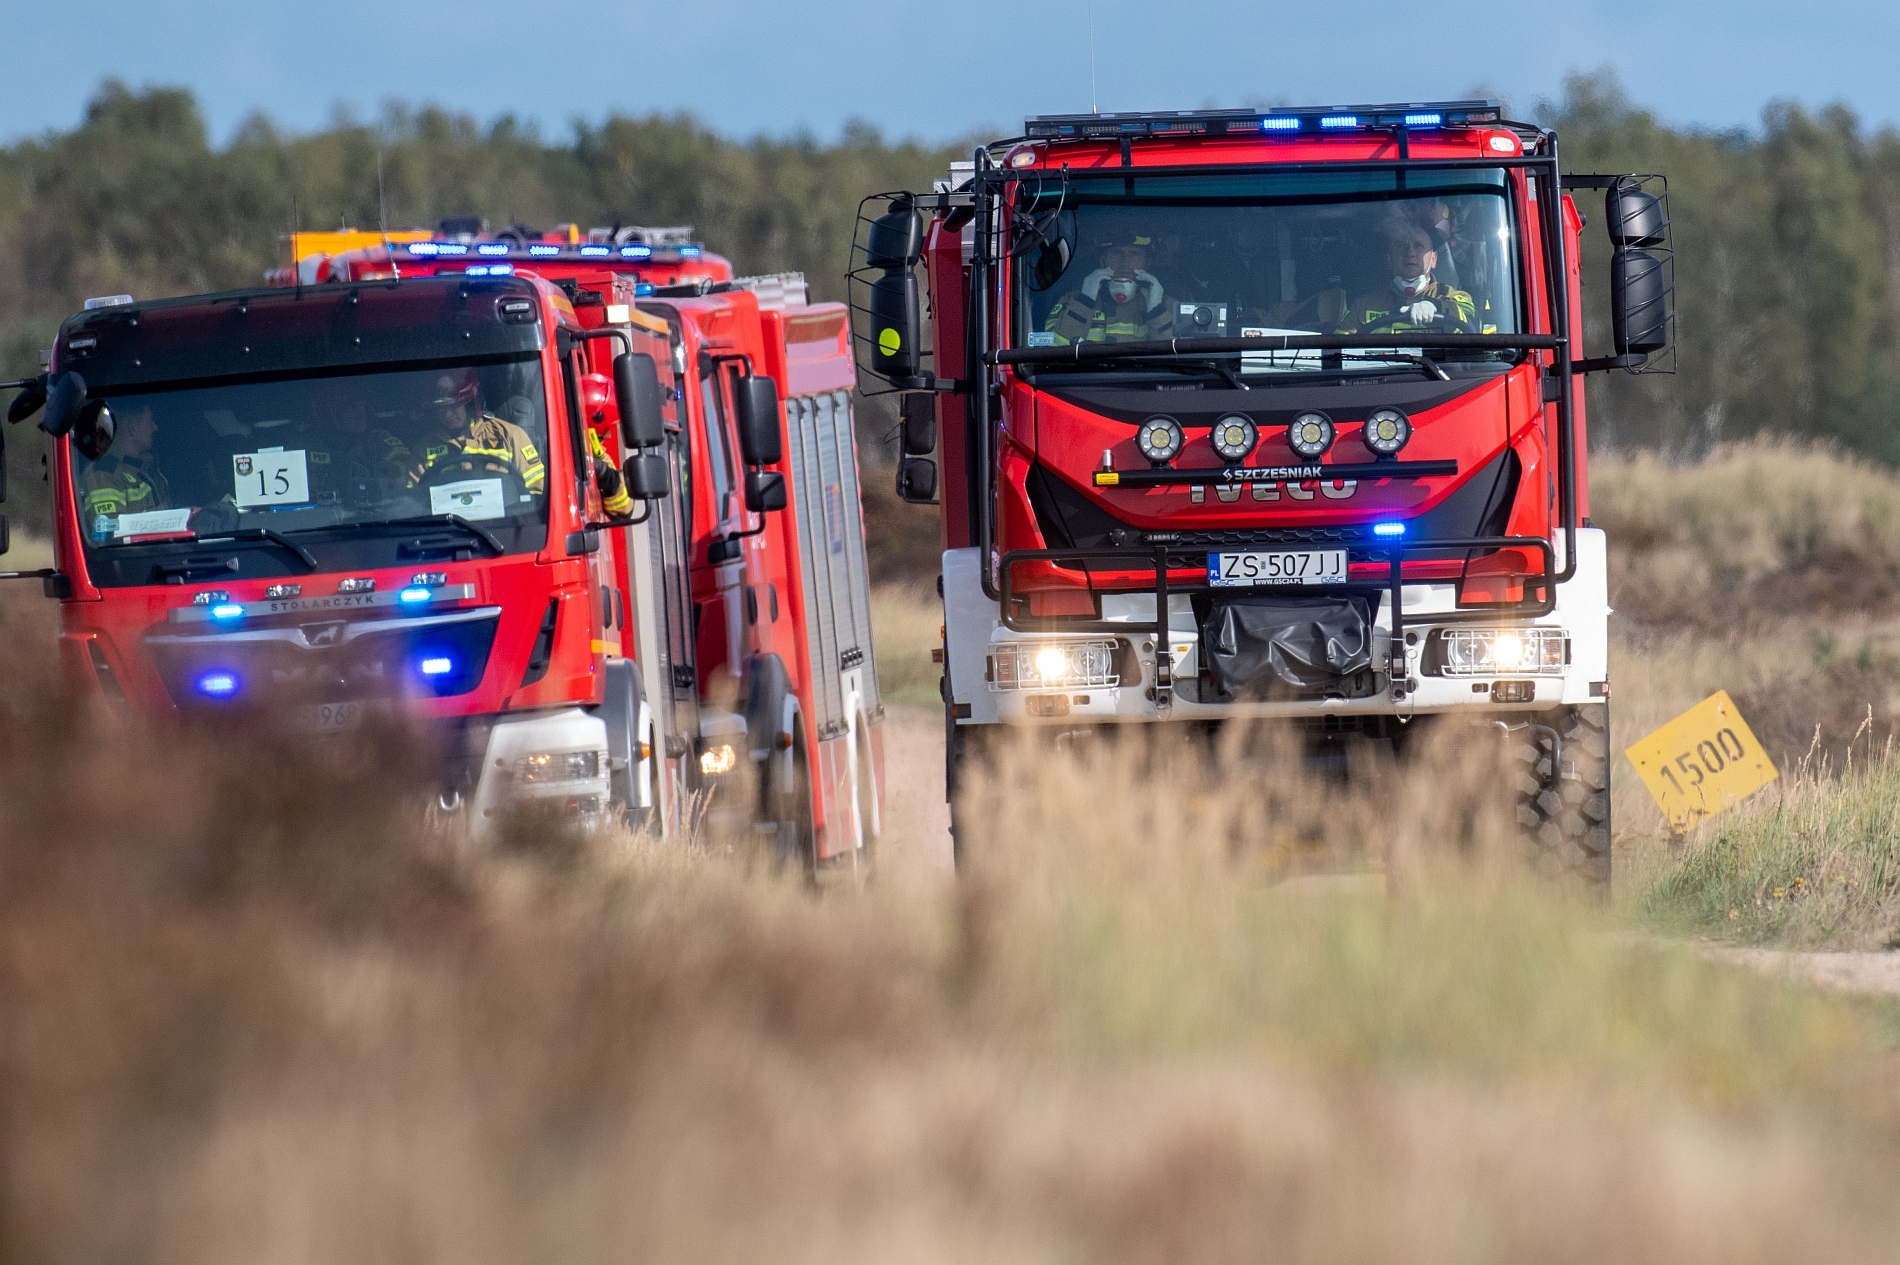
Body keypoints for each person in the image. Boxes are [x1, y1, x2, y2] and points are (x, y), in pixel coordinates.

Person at [405, 370, 546, 495]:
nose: (447, 414)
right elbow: (412, 500)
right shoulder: (423, 450)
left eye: (454, 406)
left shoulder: (509, 435)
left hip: (505, 522)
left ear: (471, 403)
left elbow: (537, 489)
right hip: (447, 524)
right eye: (441, 409)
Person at [1335, 221, 1475, 335]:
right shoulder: (1363, 306)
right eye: (1401, 246)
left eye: (1419, 246)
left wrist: (1435, 306)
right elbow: (1339, 352)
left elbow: (1469, 322)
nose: (1410, 253)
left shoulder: (1454, 296)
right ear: (1389, 260)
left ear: (1433, 260)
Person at [1043, 231, 1173, 344]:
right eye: (1117, 253)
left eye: (1135, 254)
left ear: (1147, 264)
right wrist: (1085, 301)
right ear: (1103, 261)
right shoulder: (1070, 301)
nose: (1125, 262)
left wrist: (1156, 310)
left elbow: (1177, 356)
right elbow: (1053, 348)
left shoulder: (1167, 305)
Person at [77, 402, 168, 542]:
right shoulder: (104, 475)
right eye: (149, 421)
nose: (155, 427)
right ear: (132, 427)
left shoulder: (145, 470)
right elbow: (112, 537)